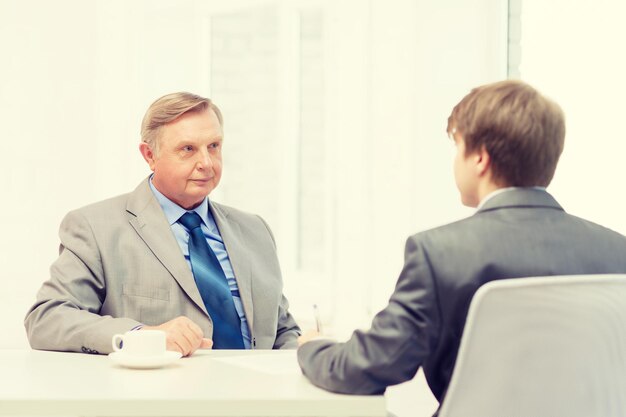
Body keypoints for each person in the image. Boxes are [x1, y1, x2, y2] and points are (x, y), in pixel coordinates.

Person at [297, 80, 626, 410]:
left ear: (480, 158)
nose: (455, 161)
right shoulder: (617, 252)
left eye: (458, 147)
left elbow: (368, 366)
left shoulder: (438, 254)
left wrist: (312, 346)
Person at [25, 92, 300, 356]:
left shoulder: (255, 230)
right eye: (188, 149)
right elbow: (47, 319)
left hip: (258, 398)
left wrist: (309, 353)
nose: (206, 162)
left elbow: (281, 331)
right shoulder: (95, 228)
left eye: (214, 146)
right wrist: (142, 336)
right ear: (149, 155)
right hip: (161, 398)